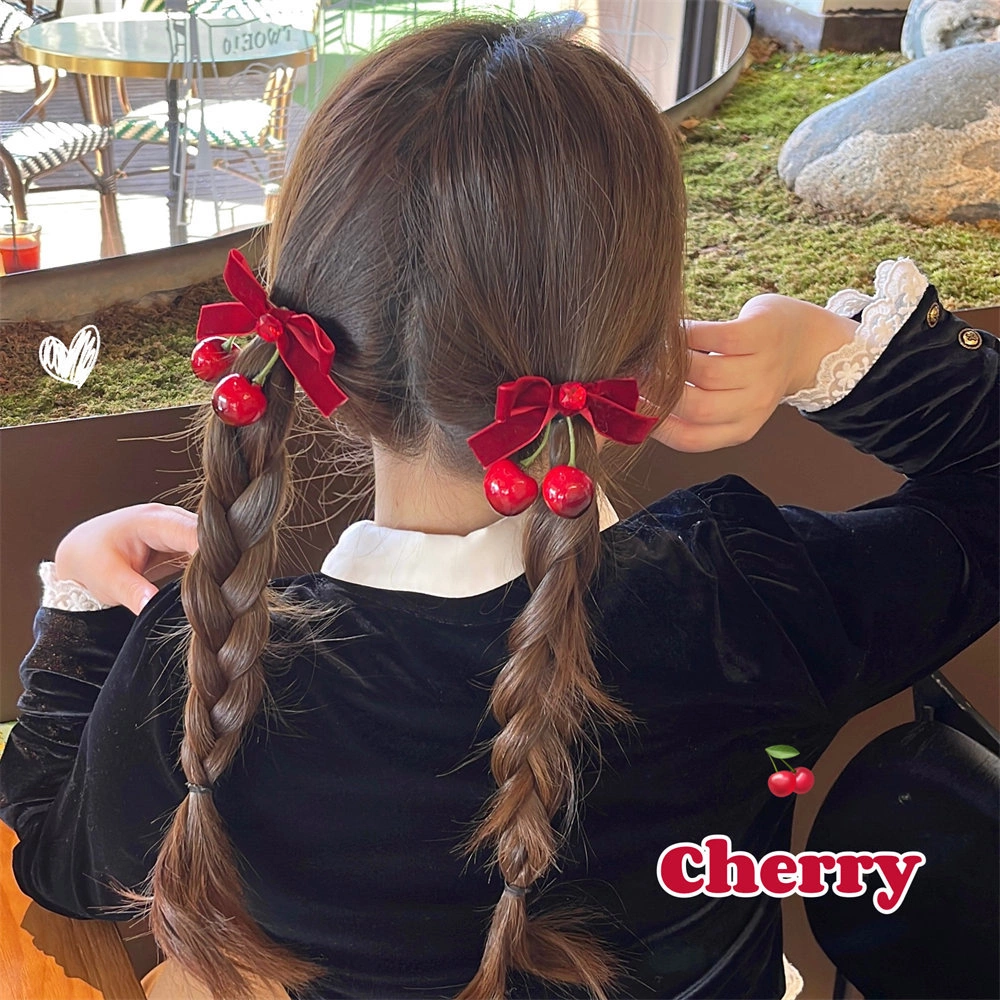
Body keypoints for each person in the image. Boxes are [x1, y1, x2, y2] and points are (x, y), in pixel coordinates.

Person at [0, 13, 997, 1000]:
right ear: (650, 360)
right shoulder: (742, 598)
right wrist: (826, 351)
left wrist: (81, 605)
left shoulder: (199, 671)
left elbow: (55, 859)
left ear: (316, 368)